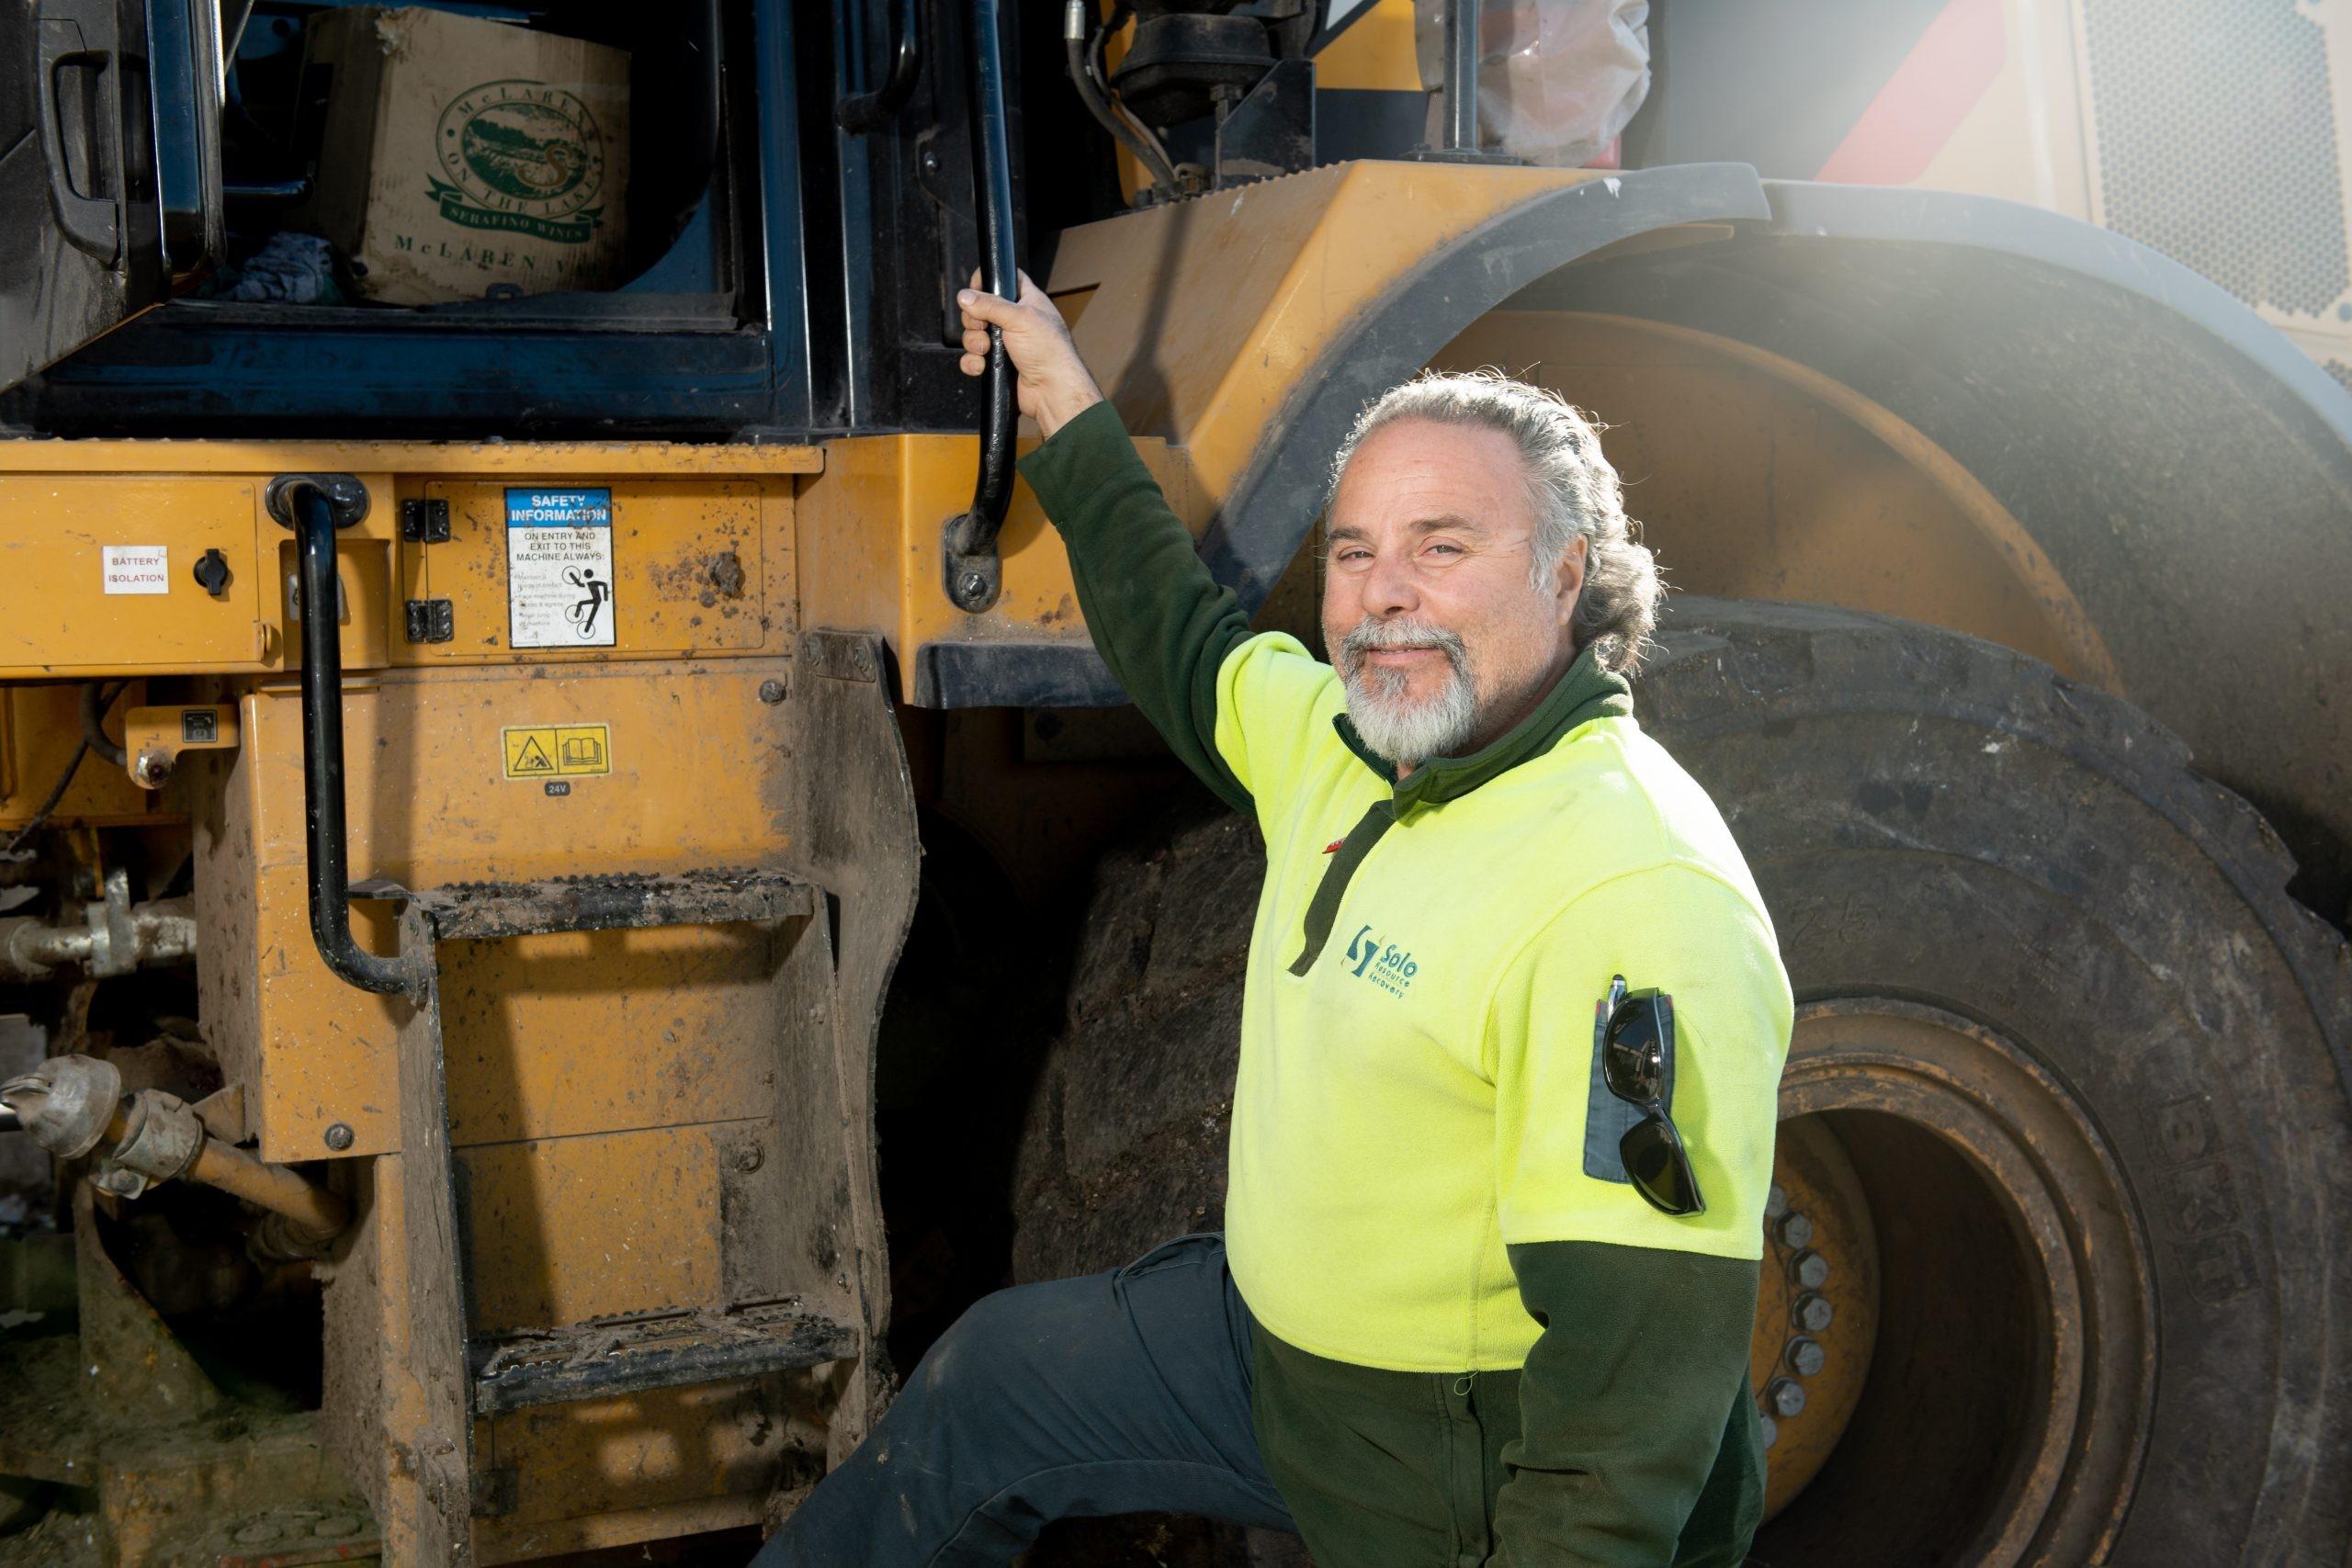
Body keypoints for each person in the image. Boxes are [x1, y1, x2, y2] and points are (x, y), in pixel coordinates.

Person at [752, 275, 1792, 1567]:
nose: (1382, 594)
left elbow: (1629, 1405)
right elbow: (1186, 643)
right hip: (1270, 1356)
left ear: (1565, 575)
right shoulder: (1349, 743)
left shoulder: (1634, 894)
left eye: (1442, 548)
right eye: (1354, 552)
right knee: (996, 1380)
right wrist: (1064, 403)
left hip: (1455, 1455)